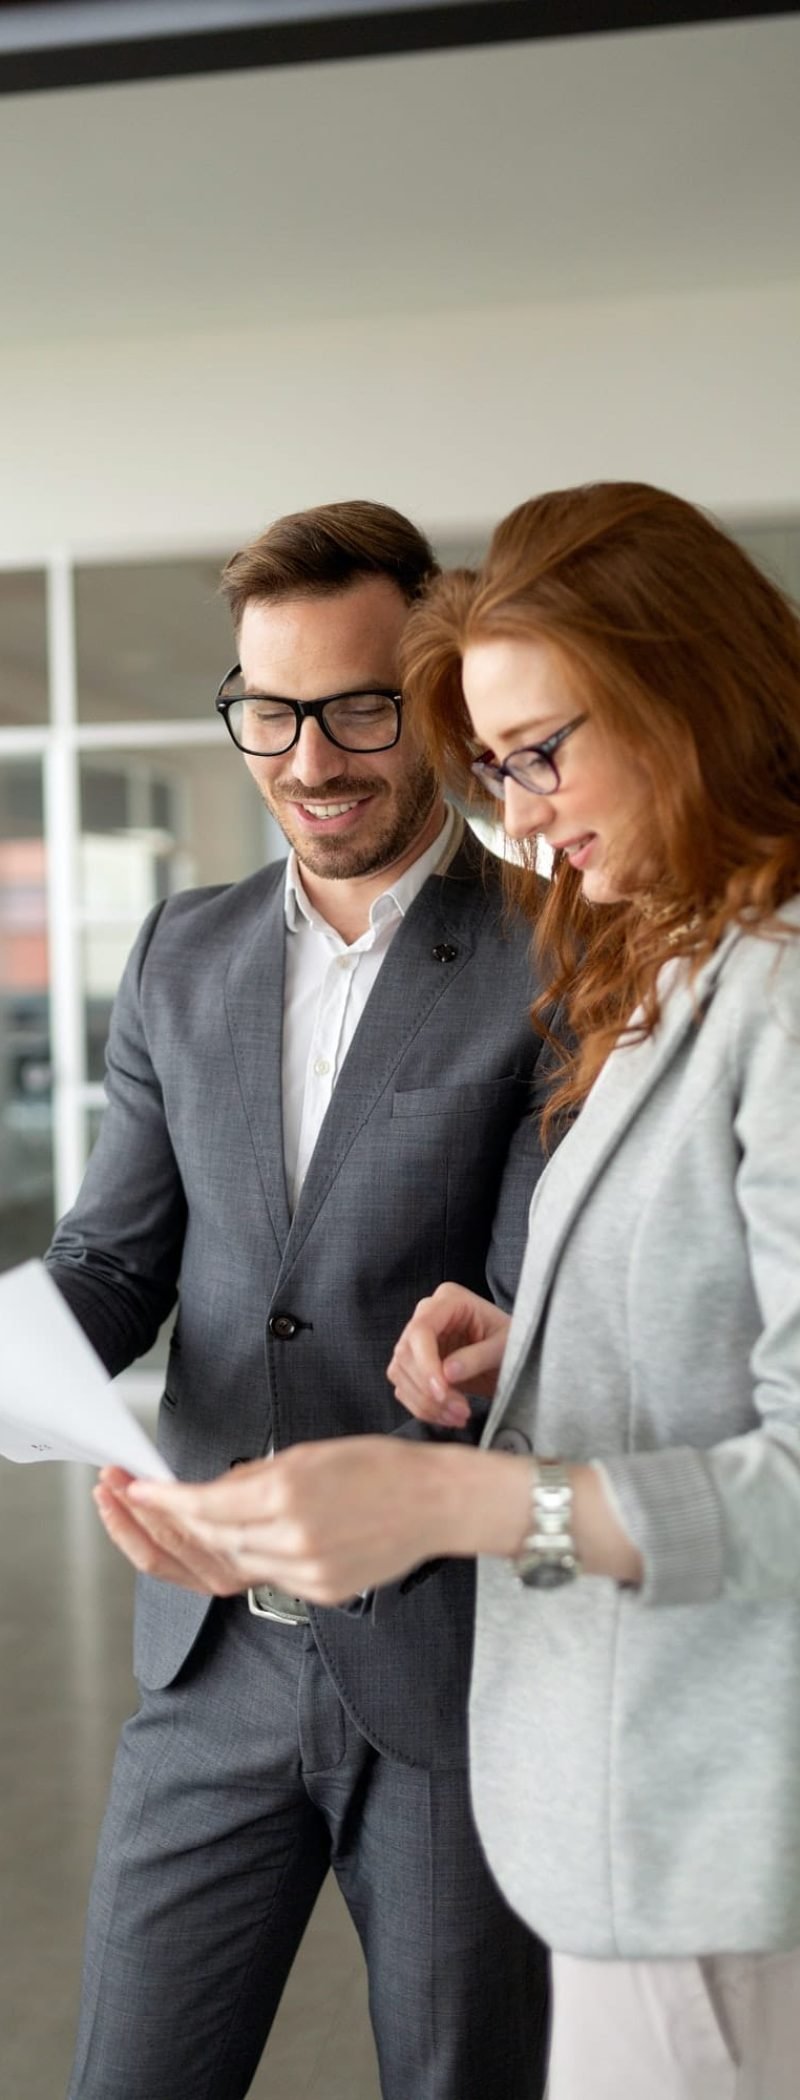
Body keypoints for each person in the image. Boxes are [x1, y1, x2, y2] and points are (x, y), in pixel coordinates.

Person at [127, 482, 800, 2100]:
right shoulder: (689, 959)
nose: (523, 806)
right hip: (607, 1799)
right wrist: (528, 1343)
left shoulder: (733, 978)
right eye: (495, 764)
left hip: (690, 1809)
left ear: (679, 689)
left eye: (538, 752)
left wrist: (457, 1504)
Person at [47, 499, 551, 2100]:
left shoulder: (565, 955)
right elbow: (117, 1259)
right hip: (206, 1665)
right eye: (267, 712)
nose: (310, 760)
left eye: (358, 707)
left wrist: (499, 1330)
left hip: (453, 1673)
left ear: (445, 697)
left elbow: (556, 1294)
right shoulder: (178, 956)